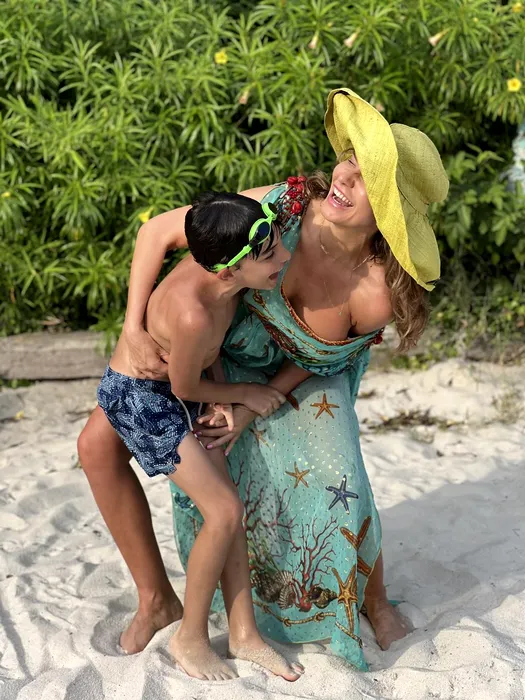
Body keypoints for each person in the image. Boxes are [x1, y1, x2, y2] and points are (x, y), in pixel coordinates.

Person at [78, 88, 449, 671]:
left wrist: (254, 405)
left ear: (391, 215)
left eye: (369, 181)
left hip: (302, 372)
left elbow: (325, 356)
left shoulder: (374, 292)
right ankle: (156, 597)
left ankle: (373, 597)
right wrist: (131, 327)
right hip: (217, 356)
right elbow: (155, 234)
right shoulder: (282, 209)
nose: (345, 177)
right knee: (96, 447)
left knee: (337, 463)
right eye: (351, 160)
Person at [83, 191, 304, 682]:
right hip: (143, 398)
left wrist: (221, 394)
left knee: (229, 506)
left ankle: (244, 633)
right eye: (271, 254)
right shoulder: (193, 313)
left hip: (186, 388)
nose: (284, 256)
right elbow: (182, 385)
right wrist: (243, 392)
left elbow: (205, 359)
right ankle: (190, 637)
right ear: (228, 270)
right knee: (222, 511)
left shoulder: (228, 265)